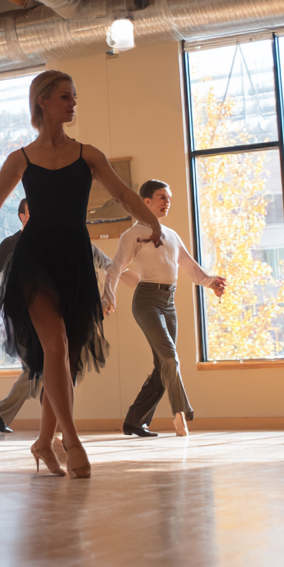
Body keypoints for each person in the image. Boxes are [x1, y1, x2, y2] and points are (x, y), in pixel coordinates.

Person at [0, 70, 165, 478]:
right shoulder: (21, 158)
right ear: (43, 102)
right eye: (66, 97)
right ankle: (70, 440)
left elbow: (124, 194)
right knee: (54, 345)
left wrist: (151, 224)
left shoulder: (88, 154)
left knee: (64, 357)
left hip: (73, 259)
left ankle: (42, 442)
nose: (73, 103)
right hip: (35, 259)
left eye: (75, 97)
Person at [103, 179, 227, 439]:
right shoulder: (133, 234)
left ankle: (135, 421)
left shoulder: (171, 235)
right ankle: (181, 412)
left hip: (168, 303)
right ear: (144, 202)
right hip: (146, 301)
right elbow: (115, 268)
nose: (167, 201)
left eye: (168, 197)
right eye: (161, 197)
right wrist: (108, 297)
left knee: (163, 366)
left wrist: (211, 282)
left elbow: (191, 268)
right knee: (170, 359)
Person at [0, 199, 117, 434]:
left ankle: (28, 423)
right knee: (44, 368)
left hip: (51, 312)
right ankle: (54, 431)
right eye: (33, 212)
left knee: (50, 367)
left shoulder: (55, 241)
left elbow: (95, 266)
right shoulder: (11, 243)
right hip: (22, 314)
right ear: (22, 216)